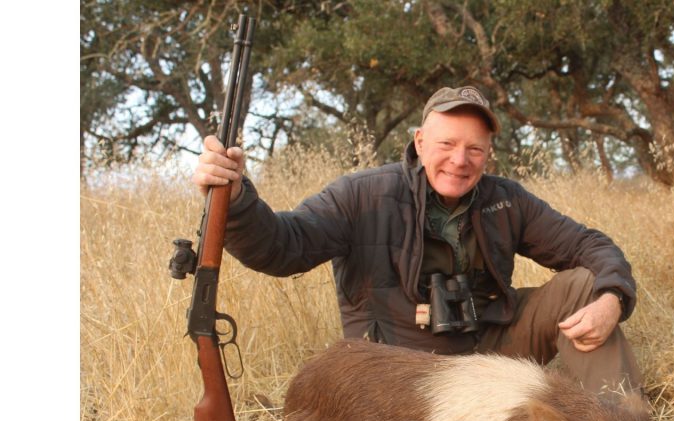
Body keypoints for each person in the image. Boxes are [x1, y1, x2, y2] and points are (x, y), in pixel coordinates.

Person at [192, 86, 642, 395]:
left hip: (488, 356)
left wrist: (612, 299)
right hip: (397, 377)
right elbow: (281, 247)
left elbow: (589, 245)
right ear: (420, 141)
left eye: (475, 150)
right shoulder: (361, 194)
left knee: (588, 284)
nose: (460, 161)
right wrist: (237, 199)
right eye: (446, 144)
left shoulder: (506, 200)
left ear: (489, 154)